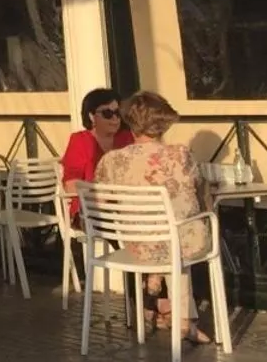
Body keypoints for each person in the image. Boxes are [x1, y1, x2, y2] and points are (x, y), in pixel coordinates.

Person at [95, 91, 213, 345]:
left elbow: (102, 203)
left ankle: (159, 284)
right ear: (163, 123)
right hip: (177, 243)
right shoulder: (179, 155)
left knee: (169, 235)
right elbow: (198, 198)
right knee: (187, 230)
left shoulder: (111, 160)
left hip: (135, 246)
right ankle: (183, 321)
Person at [62, 87, 131, 221]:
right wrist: (102, 196)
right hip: (90, 210)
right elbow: (71, 185)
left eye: (117, 113)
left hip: (125, 208)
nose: (115, 118)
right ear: (91, 116)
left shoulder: (127, 138)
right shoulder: (80, 141)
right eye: (107, 113)